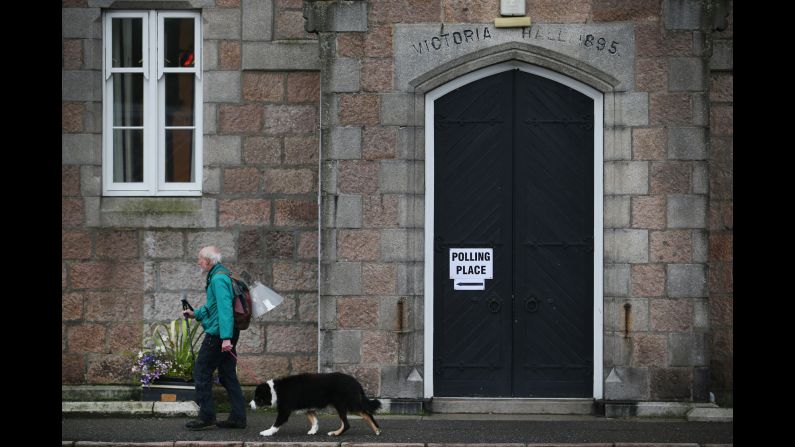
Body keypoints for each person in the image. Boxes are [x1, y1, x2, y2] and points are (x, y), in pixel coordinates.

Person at [182, 245, 247, 430]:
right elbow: (213, 306)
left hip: (220, 334)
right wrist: (196, 314)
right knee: (227, 375)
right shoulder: (222, 274)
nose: (198, 262)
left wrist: (225, 338)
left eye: (200, 259)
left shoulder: (218, 279)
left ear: (209, 261)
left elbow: (225, 309)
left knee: (201, 371)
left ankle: (206, 416)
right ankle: (238, 417)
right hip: (228, 332)